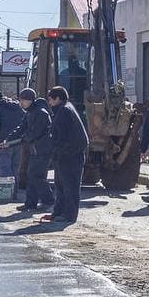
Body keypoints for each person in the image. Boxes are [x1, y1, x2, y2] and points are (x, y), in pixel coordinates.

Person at [3, 88, 54, 212]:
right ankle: (30, 204)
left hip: (43, 150)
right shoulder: (30, 112)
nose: (21, 103)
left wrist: (23, 139)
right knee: (30, 176)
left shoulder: (41, 113)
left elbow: (36, 132)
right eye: (20, 100)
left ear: (30, 100)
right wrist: (9, 139)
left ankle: (49, 201)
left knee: (37, 177)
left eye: (23, 100)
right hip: (35, 150)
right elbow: (22, 127)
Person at [43, 86, 88, 224]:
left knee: (70, 187)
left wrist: (58, 152)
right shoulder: (64, 109)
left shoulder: (64, 111)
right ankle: (58, 212)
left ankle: (69, 215)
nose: (49, 102)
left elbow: (62, 136)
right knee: (61, 186)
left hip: (70, 156)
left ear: (57, 98)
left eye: (50, 99)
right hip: (65, 155)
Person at [0, 89, 24, 185]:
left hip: (4, 142)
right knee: (15, 168)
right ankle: (14, 190)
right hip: (18, 141)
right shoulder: (17, 106)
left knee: (4, 168)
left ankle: (8, 191)